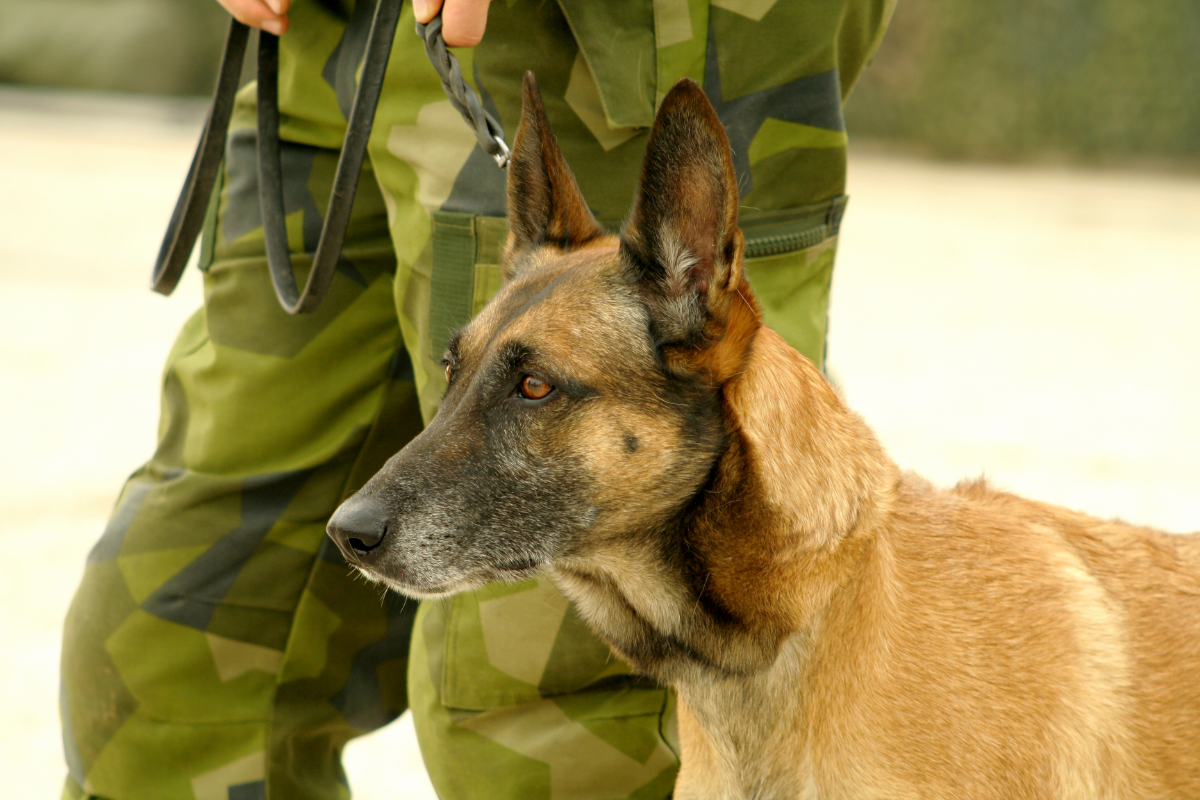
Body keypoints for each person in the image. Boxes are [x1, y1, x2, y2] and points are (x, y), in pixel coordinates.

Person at [59, 0, 893, 797]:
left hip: (605, 48)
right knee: (181, 628)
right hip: (325, 42)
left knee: (546, 703)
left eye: (534, 390)